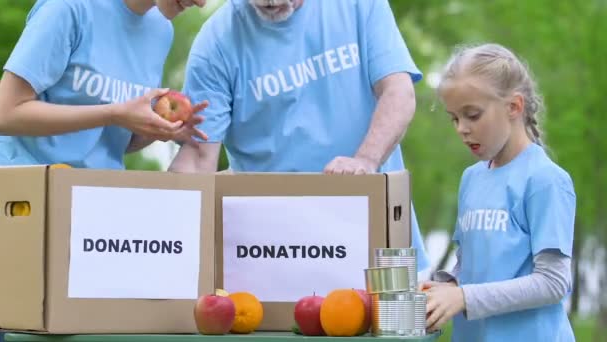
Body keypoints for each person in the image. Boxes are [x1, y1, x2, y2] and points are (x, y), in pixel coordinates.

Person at [169, 0, 431, 274]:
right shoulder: (216, 42)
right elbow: (198, 159)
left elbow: (398, 93)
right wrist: (168, 233)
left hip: (374, 236)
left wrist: (365, 160)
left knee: (389, 316)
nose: (271, 2)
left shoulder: (359, 5)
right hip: (275, 254)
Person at [421, 43, 575, 341]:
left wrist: (464, 297)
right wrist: (443, 288)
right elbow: (470, 265)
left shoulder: (545, 180)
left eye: (473, 115)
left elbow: (553, 282)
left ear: (514, 107)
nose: (461, 129)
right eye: (454, 118)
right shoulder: (471, 178)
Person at [0, 0, 208, 169]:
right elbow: (5, 114)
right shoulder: (67, 7)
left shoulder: (162, 30)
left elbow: (113, 143)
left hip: (96, 193)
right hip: (27, 189)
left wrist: (155, 131)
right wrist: (112, 114)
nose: (201, 3)